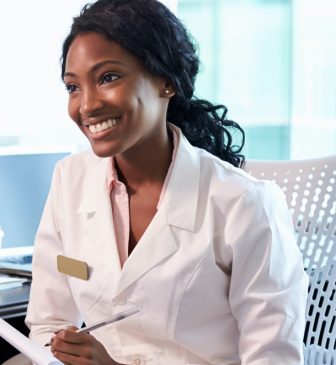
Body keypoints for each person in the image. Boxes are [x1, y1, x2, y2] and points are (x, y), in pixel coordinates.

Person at [26, 0, 308, 364]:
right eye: (73, 87)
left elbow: (274, 359)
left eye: (108, 78)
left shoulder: (243, 202)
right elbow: (48, 323)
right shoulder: (70, 179)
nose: (86, 105)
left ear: (167, 82)